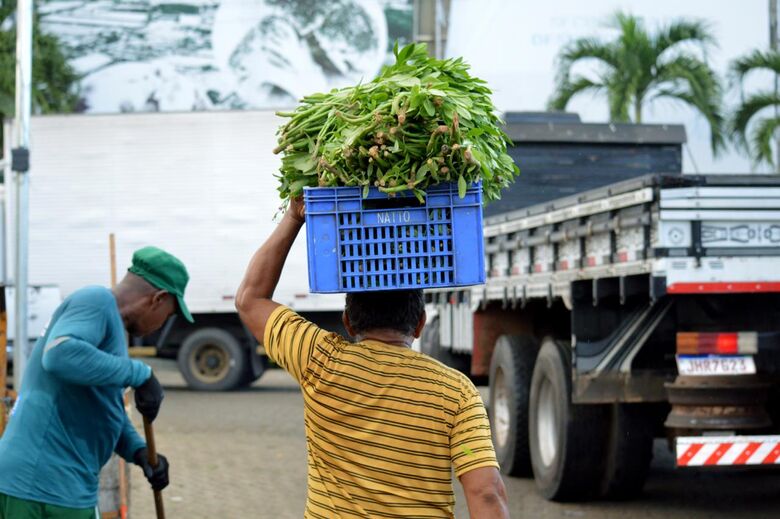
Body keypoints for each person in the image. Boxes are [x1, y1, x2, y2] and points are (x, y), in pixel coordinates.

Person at [236, 198, 509, 518]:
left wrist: (295, 216)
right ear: (420, 323)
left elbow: (250, 299)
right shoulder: (455, 392)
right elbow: (486, 493)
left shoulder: (319, 361)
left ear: (348, 321)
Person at [0, 246, 193, 519]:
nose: (162, 324)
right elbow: (59, 355)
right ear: (157, 299)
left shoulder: (110, 329)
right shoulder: (97, 301)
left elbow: (104, 407)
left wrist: (140, 452)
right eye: (169, 315)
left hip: (59, 487)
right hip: (43, 487)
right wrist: (141, 374)